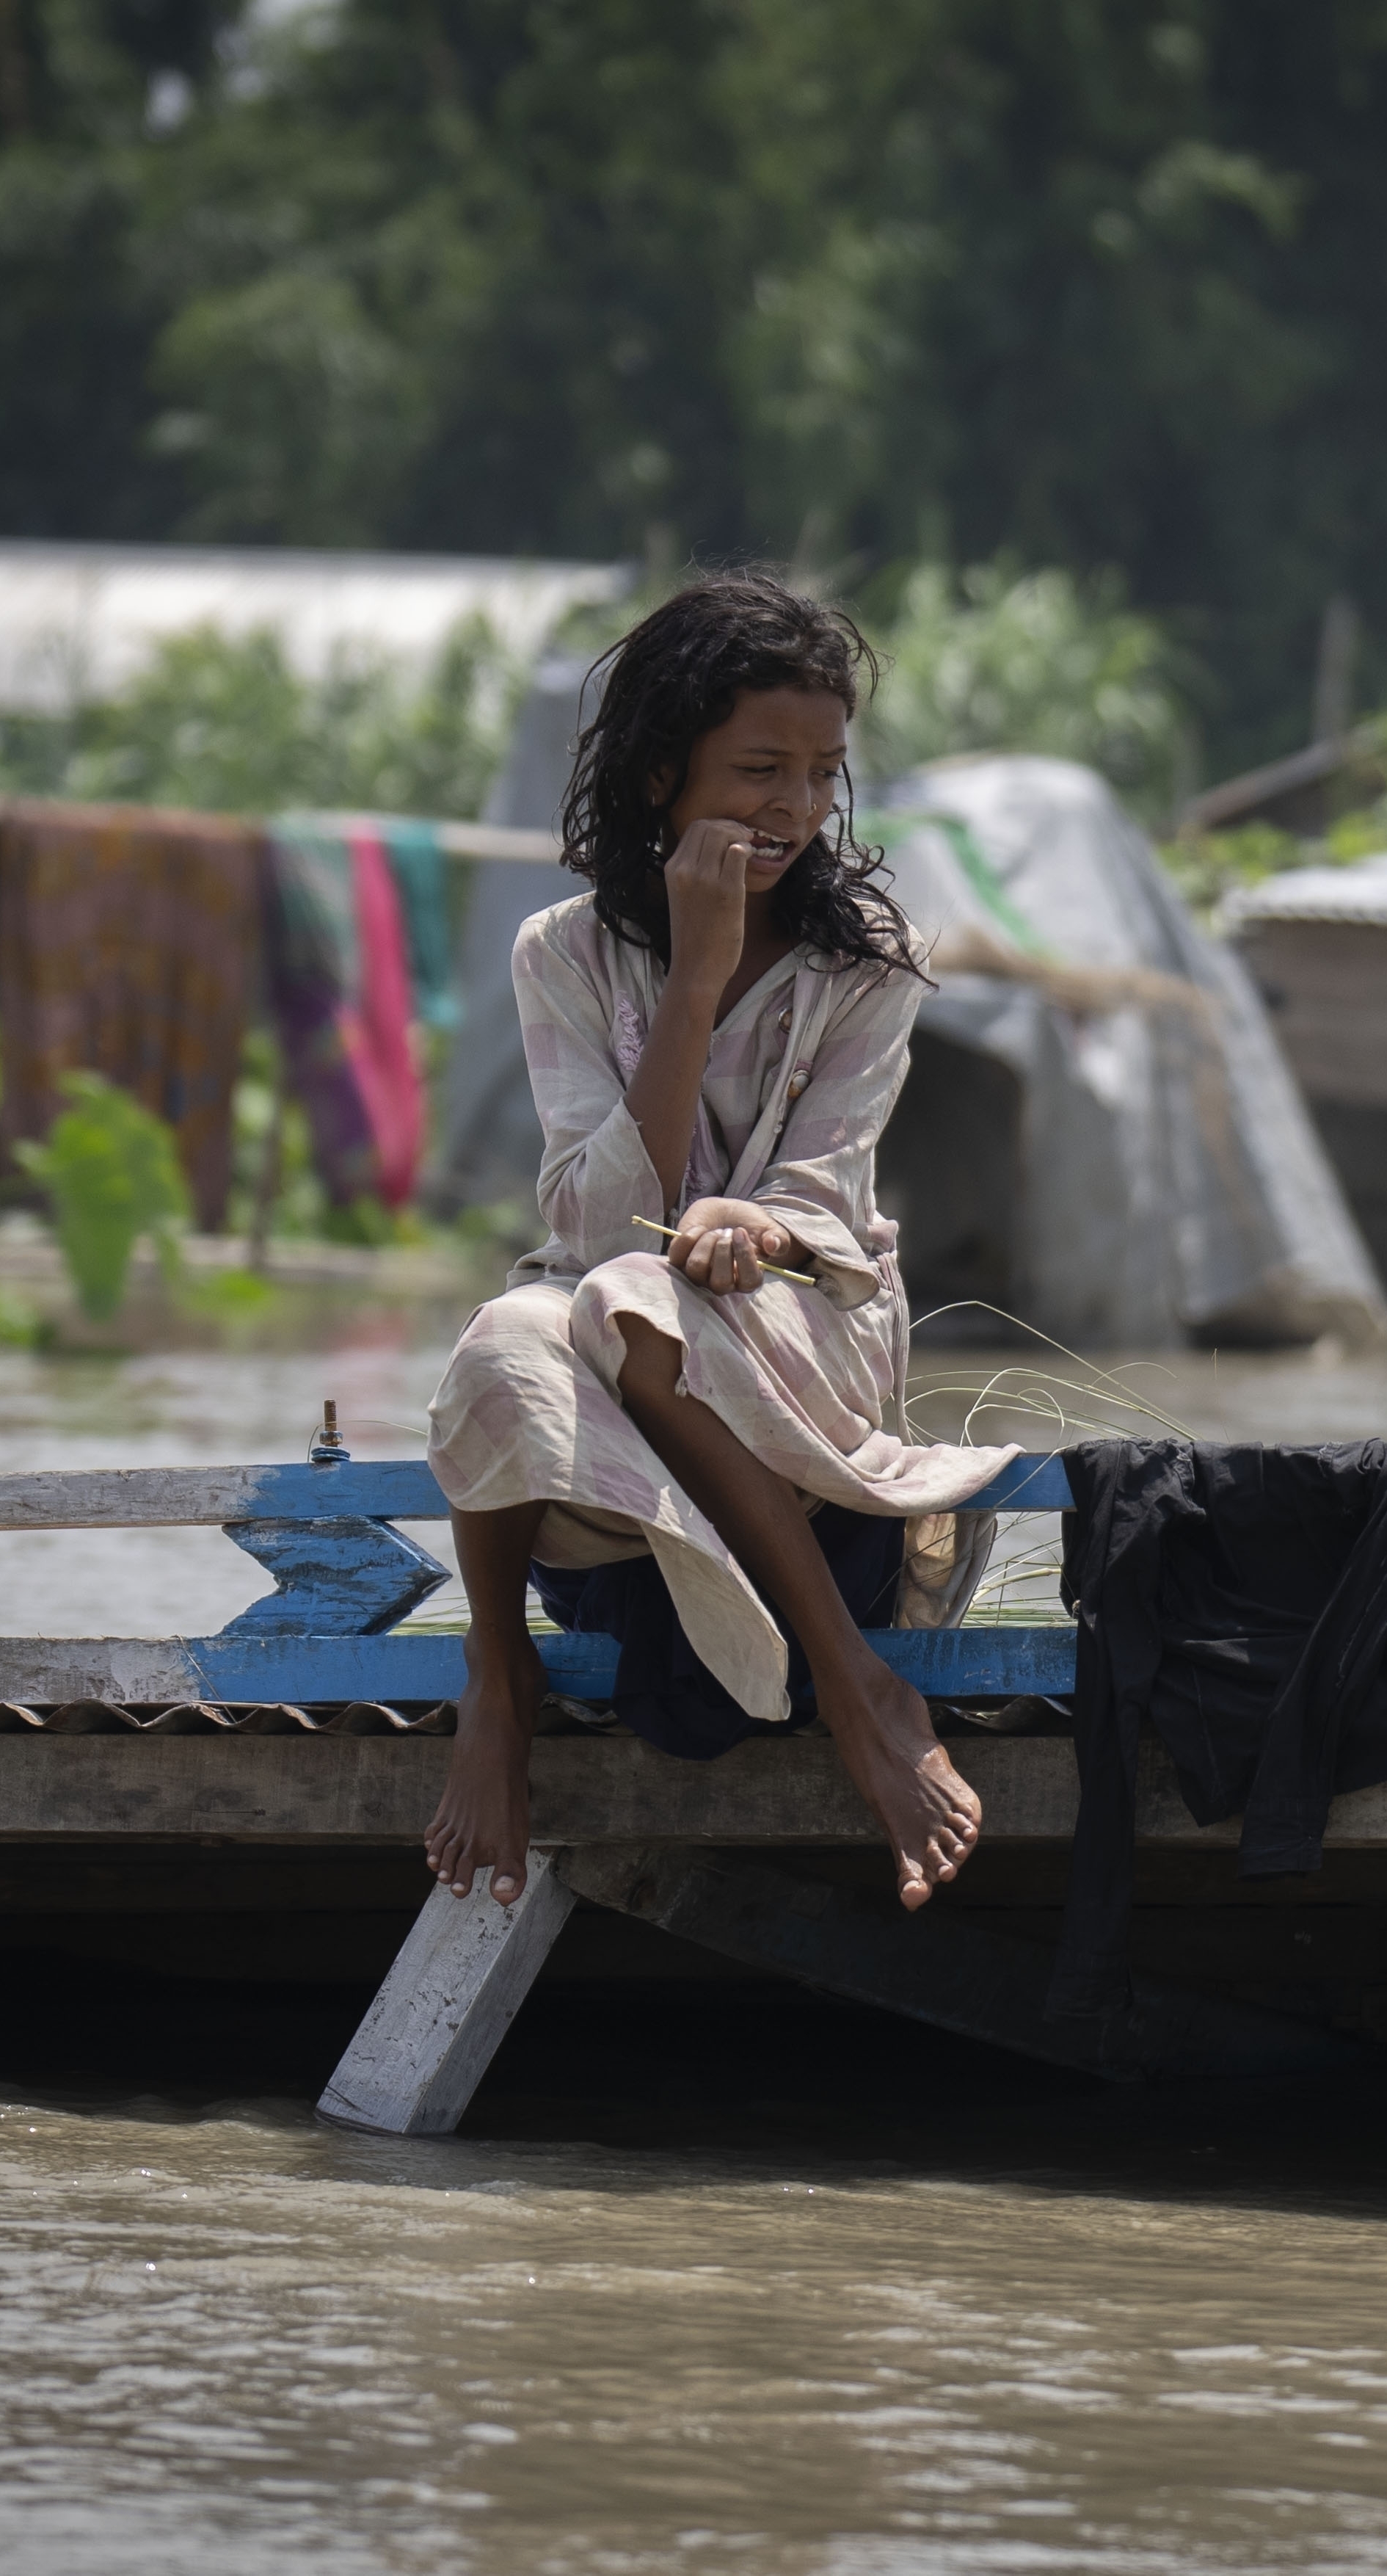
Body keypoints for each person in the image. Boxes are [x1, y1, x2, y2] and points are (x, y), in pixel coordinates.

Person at [421, 573, 1016, 1912]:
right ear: (656, 776)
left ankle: (860, 1689)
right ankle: (496, 1674)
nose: (797, 809)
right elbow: (579, 1221)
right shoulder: (560, 954)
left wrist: (762, 1224)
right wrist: (695, 973)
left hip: (807, 1331)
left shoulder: (874, 967)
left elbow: (825, 1193)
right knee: (509, 1334)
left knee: (631, 1298)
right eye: (759, 769)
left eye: (822, 773)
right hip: (616, 1349)